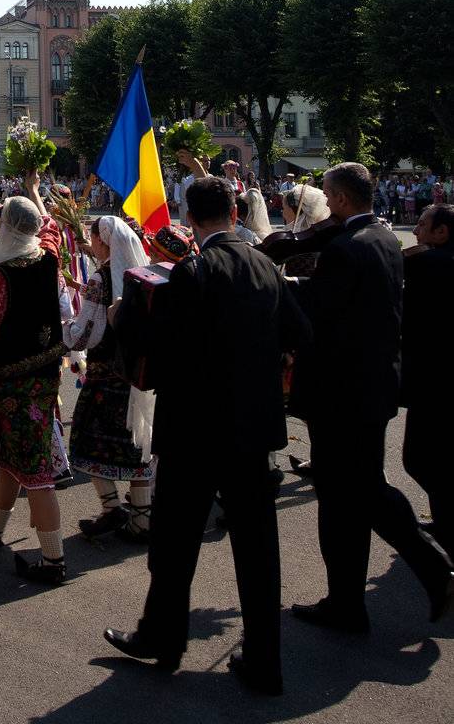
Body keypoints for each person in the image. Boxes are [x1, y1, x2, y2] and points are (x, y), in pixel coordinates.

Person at [103, 175, 310, 697]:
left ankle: (162, 638)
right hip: (253, 427)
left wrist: (122, 315)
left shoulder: (194, 271)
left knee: (174, 542)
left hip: (195, 428)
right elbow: (299, 333)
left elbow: (156, 343)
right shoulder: (266, 264)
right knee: (258, 549)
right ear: (235, 214)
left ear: (189, 218)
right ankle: (266, 661)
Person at [292, 162, 453, 634]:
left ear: (341, 200)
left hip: (342, 391)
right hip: (372, 385)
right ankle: (346, 602)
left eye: (327, 195)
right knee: (350, 495)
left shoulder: (345, 248)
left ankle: (432, 567)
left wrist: (274, 285)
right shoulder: (384, 238)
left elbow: (318, 308)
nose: (325, 203)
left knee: (354, 491)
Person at [0, 195, 68, 586]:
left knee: (36, 468)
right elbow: (53, 228)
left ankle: (54, 558)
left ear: (5, 226)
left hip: (13, 383)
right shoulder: (49, 259)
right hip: (46, 375)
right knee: (14, 456)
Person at [66, 216, 155, 544]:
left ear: (104, 242)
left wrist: (62, 327)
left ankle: (112, 507)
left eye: (94, 240)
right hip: (138, 376)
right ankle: (142, 519)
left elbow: (84, 335)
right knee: (138, 442)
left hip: (106, 376)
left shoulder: (101, 280)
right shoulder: (143, 274)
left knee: (87, 442)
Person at [401, 204, 454, 559]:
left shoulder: (430, 265)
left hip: (433, 380)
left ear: (442, 233)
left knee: (420, 458)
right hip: (439, 378)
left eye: (422, 225)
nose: (416, 232)